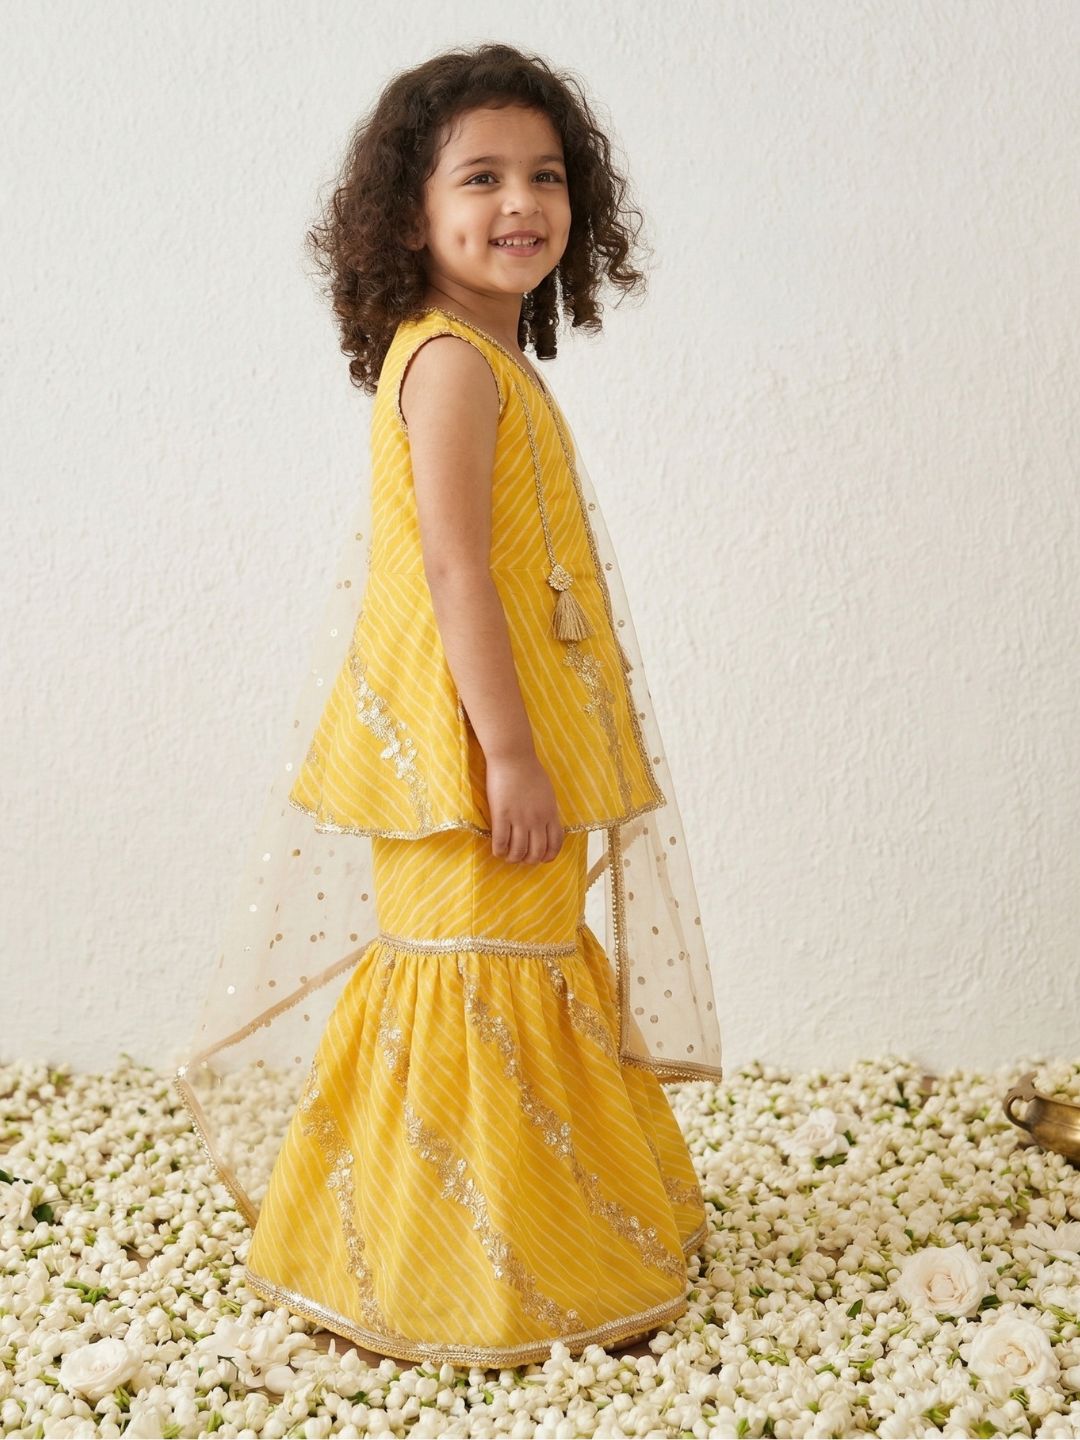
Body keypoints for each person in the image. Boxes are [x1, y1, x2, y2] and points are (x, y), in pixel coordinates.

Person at [174, 41, 723, 1370]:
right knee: (471, 979)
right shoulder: (453, 366)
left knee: (517, 966)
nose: (520, 200)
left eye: (546, 174)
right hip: (471, 754)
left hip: (508, 735)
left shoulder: (485, 359)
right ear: (408, 214)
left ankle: (525, 1245)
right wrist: (512, 757)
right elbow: (454, 570)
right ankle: (452, 1281)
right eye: (480, 176)